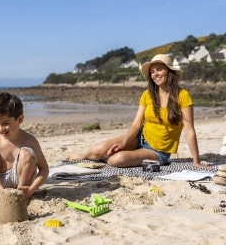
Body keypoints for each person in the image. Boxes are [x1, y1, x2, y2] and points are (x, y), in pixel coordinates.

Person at [65, 54, 206, 168]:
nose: (155, 74)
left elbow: (189, 131)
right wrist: (124, 143)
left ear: (170, 72)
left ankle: (110, 158)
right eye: (152, 71)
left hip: (158, 152)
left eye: (159, 69)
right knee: (98, 149)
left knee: (116, 160)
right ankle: (83, 156)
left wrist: (196, 161)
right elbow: (137, 124)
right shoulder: (147, 94)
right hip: (139, 138)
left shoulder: (183, 96)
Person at [0, 92, 50, 206]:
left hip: (22, 180)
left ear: (20, 119)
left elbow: (44, 169)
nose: (1, 128)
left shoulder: (30, 140)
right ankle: (7, 193)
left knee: (26, 153)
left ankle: (22, 196)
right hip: (1, 179)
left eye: (5, 123)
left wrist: (31, 189)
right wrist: (1, 191)